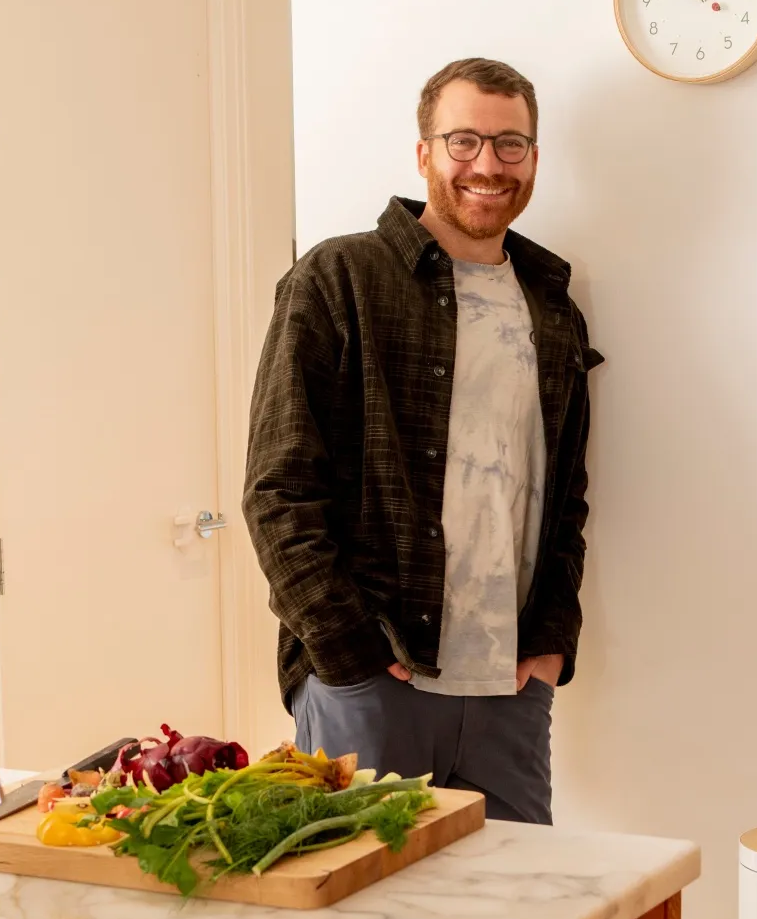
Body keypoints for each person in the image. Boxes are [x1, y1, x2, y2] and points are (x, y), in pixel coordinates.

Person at [242, 57, 598, 823]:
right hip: (373, 680)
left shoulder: (552, 307)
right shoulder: (340, 278)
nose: (487, 165)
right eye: (463, 140)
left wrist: (551, 643)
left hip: (509, 684)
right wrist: (347, 649)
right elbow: (278, 488)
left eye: (510, 144)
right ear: (424, 153)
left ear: (534, 158)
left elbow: (564, 492)